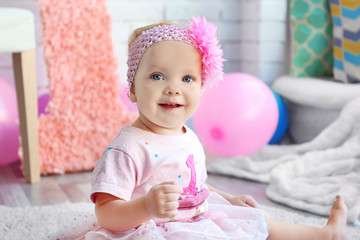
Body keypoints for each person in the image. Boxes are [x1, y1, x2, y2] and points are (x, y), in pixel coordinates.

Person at [87, 17, 348, 240]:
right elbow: (106, 212)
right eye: (157, 76)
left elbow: (196, 185)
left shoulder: (187, 137)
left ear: (201, 87)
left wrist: (228, 198)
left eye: (187, 78)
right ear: (132, 89)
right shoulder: (126, 150)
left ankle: (324, 234)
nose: (173, 88)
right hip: (154, 229)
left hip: (196, 218)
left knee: (258, 222)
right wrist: (145, 206)